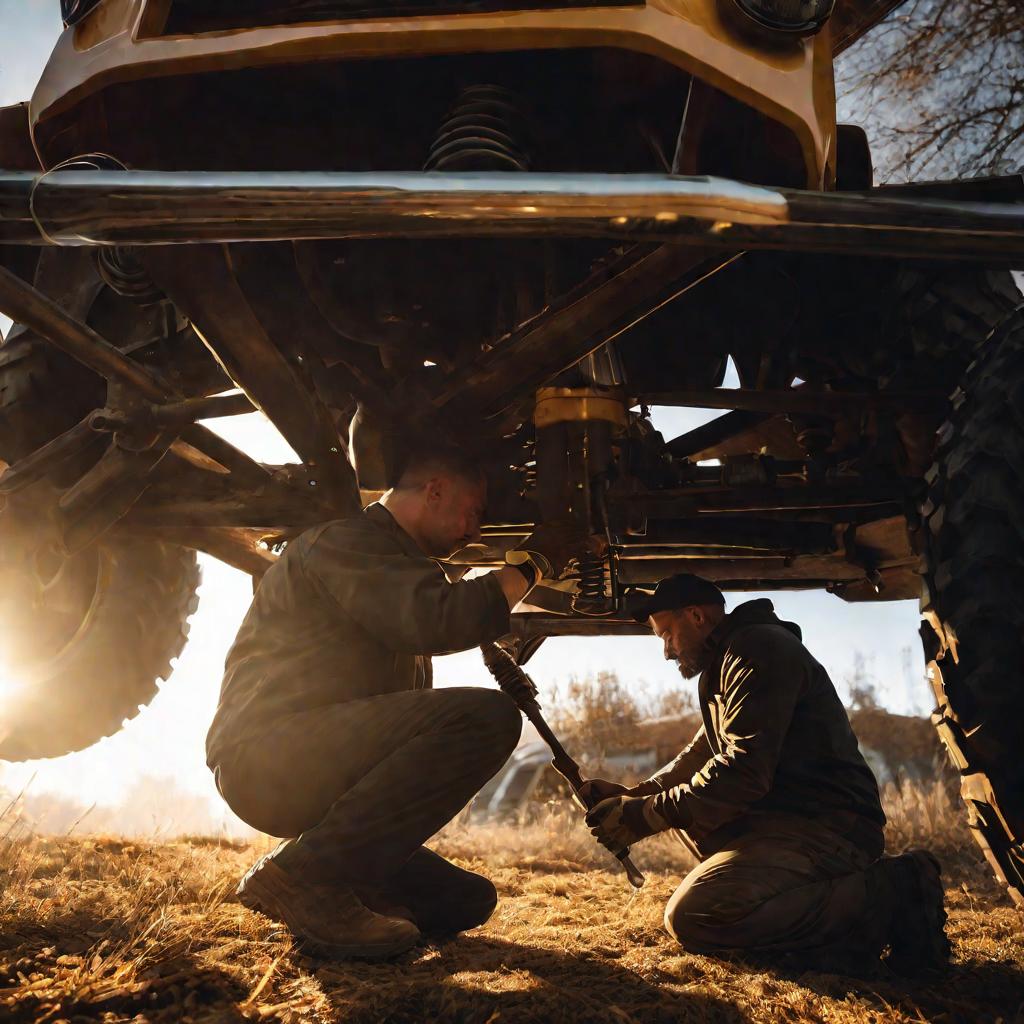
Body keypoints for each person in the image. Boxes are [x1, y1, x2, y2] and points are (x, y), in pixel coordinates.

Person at [207, 442, 584, 960]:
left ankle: (338, 882)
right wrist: (535, 563)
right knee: (487, 717)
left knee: (466, 900)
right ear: (434, 491)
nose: (475, 532)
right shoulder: (346, 542)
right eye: (473, 512)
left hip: (321, 765)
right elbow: (438, 618)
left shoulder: (400, 568)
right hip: (267, 754)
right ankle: (305, 877)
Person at [582, 573, 949, 975]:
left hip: (828, 828)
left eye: (667, 633)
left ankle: (893, 891)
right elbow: (700, 754)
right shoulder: (733, 658)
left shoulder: (757, 651)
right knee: (694, 816)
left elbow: (743, 771)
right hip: (790, 825)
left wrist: (643, 816)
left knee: (696, 915)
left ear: (696, 616)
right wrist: (635, 797)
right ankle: (833, 930)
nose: (667, 651)